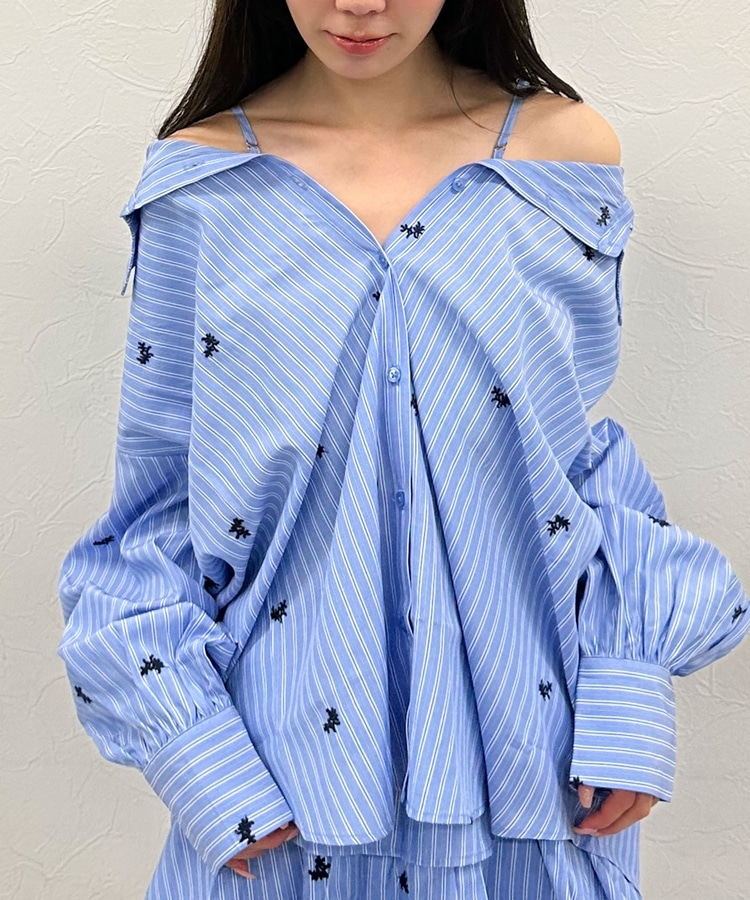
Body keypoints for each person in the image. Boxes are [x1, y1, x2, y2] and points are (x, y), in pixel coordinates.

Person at [56, 1, 750, 897]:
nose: (360, 4)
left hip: (534, 767)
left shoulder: (561, 157)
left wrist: (629, 685)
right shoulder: (201, 187)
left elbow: (572, 459)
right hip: (277, 780)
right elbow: (159, 505)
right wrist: (194, 752)